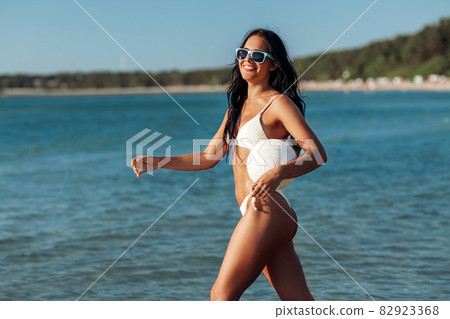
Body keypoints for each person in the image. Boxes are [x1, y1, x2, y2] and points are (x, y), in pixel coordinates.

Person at [131, 28, 327, 301]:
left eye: (258, 55)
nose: (248, 59)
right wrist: (157, 161)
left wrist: (279, 172)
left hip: (266, 210)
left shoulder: (278, 103)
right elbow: (208, 156)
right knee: (299, 304)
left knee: (221, 297)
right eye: (243, 53)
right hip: (263, 213)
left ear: (273, 64)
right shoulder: (235, 108)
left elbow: (317, 153)